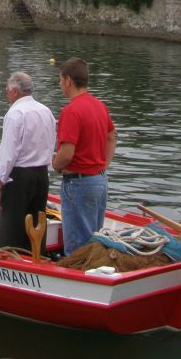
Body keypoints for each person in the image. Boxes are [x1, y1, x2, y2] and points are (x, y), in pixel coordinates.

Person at [52, 57, 117, 255]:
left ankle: (79, 277)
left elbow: (67, 153)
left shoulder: (71, 111)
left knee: (77, 246)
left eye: (61, 80)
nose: (60, 84)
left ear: (69, 81)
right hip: (99, 180)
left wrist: (55, 165)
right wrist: (102, 164)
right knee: (94, 239)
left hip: (78, 183)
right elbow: (112, 137)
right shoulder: (99, 106)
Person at [0, 72, 56, 252]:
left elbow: (8, 154)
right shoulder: (45, 111)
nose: (7, 95)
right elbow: (50, 143)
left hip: (19, 177)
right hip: (41, 175)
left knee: (11, 229)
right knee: (36, 225)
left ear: (14, 91)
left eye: (6, 91)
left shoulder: (15, 114)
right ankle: (37, 258)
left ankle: (11, 262)